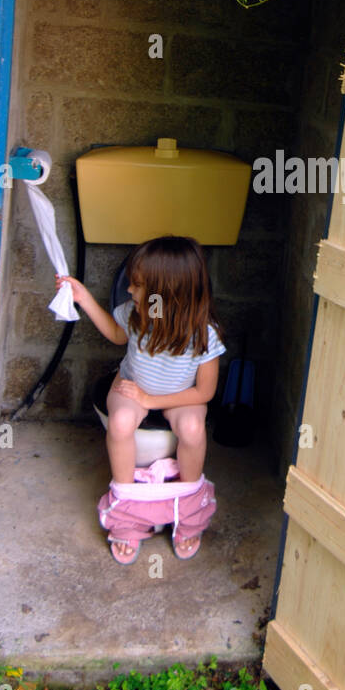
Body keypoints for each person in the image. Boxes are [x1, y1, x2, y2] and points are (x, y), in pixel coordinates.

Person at [56, 235, 225, 563]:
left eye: (137, 285)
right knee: (119, 424)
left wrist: (151, 400)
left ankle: (188, 513)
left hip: (180, 394)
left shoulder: (204, 332)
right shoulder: (135, 313)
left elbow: (204, 392)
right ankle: (126, 516)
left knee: (191, 429)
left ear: (167, 292)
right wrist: (84, 298)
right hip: (133, 384)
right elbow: (118, 336)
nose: (130, 291)